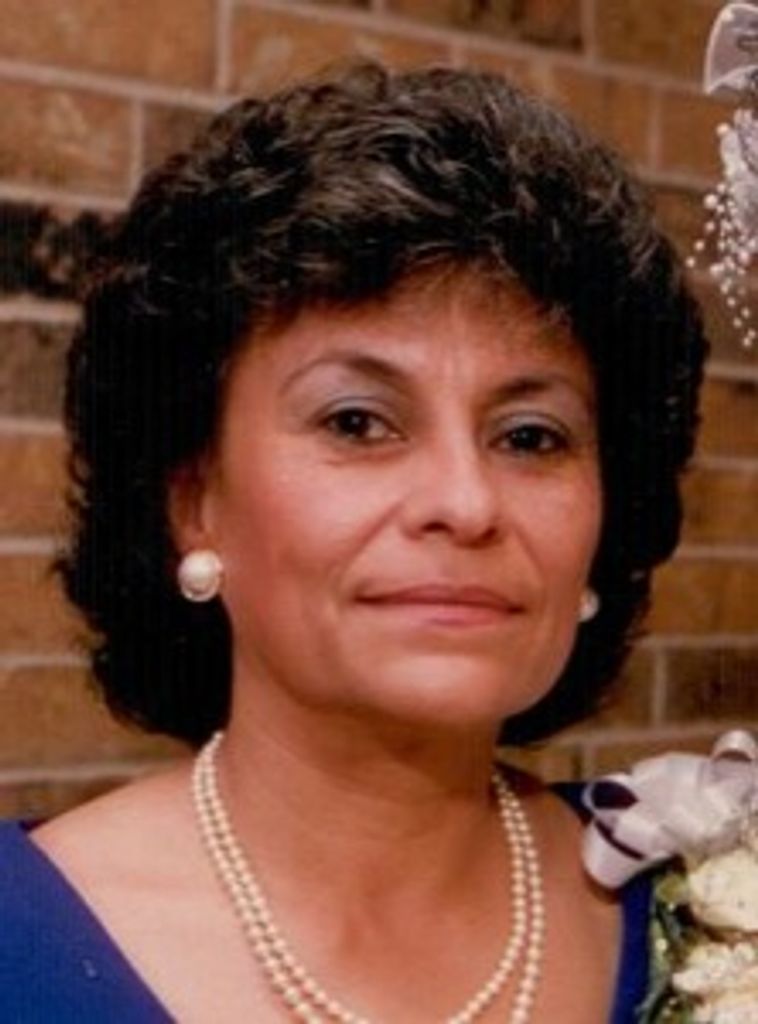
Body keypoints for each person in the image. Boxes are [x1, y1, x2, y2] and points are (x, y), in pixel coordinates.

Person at [0, 62, 707, 1022]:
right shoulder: (20, 947)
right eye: (358, 423)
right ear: (193, 499)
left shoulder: (697, 906)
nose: (466, 504)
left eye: (530, 437)